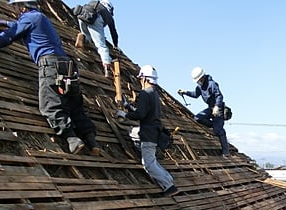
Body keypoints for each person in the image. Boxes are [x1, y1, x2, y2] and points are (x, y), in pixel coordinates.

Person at [0, 0, 100, 156]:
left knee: (50, 104)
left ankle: (72, 139)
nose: (14, 10)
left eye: (15, 7)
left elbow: (10, 36)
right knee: (74, 104)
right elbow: (24, 27)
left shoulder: (28, 18)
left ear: (22, 6)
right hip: (67, 64)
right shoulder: (40, 17)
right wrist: (8, 22)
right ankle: (92, 141)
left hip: (50, 64)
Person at [116, 65, 178, 197]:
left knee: (148, 164)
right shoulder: (154, 94)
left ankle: (169, 186)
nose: (139, 81)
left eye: (140, 79)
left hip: (148, 134)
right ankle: (169, 179)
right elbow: (143, 112)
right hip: (154, 131)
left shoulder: (145, 93)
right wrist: (127, 106)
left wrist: (125, 115)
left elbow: (141, 115)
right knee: (132, 132)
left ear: (144, 78)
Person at [177, 67, 230, 157]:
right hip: (210, 108)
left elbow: (219, 96)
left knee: (219, 131)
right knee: (197, 118)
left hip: (218, 108)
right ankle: (213, 124)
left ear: (202, 77)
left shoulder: (212, 84)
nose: (198, 82)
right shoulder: (200, 86)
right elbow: (196, 94)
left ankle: (226, 152)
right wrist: (185, 92)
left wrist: (217, 106)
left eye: (198, 80)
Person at [72, 0, 118, 78]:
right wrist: (115, 45)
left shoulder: (94, 3)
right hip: (95, 19)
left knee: (88, 36)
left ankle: (84, 37)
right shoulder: (108, 15)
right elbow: (113, 32)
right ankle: (107, 66)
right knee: (101, 45)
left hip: (82, 15)